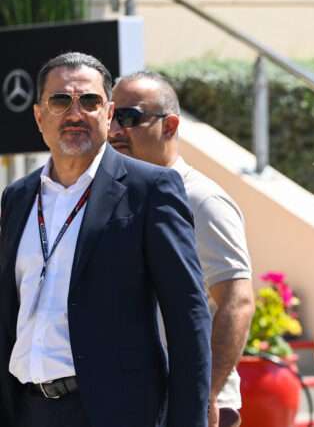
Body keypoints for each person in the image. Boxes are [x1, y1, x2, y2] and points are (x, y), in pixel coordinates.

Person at [0, 52, 211, 427]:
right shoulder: (17, 198)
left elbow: (188, 318)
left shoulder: (150, 190)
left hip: (115, 412)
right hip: (27, 409)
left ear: (109, 114)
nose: (75, 114)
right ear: (38, 116)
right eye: (61, 100)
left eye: (90, 101)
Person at [108, 71, 255, 427]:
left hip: (190, 407)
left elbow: (237, 302)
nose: (114, 131)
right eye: (110, 116)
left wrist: (205, 394)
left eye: (129, 118)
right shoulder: (114, 196)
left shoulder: (201, 200)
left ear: (170, 125)